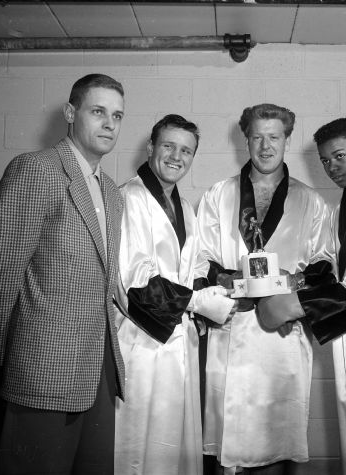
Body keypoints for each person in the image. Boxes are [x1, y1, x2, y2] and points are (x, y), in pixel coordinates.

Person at [0, 73, 127, 474]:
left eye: (118, 115)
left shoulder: (110, 190)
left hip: (98, 369)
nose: (110, 123)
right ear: (71, 113)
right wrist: (3, 351)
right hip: (42, 367)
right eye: (98, 111)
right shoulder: (37, 170)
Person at [197, 103, 333, 475]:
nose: (265, 146)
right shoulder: (219, 195)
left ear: (287, 140)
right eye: (257, 137)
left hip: (281, 335)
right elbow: (200, 261)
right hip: (232, 329)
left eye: (274, 137)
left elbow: (324, 267)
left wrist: (292, 284)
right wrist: (225, 283)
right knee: (228, 445)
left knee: (276, 443)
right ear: (246, 140)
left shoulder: (310, 201)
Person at [258, 118, 346, 474]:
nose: (331, 166)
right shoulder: (342, 207)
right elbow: (332, 270)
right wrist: (296, 281)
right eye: (324, 160)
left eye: (339, 156)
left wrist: (298, 305)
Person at [113, 114, 236, 475]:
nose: (176, 157)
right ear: (152, 148)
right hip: (141, 342)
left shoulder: (184, 207)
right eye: (168, 146)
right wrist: (198, 302)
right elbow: (133, 280)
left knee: (176, 449)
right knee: (140, 449)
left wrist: (216, 285)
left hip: (179, 343)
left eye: (186, 150)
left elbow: (196, 264)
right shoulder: (129, 198)